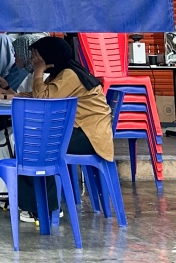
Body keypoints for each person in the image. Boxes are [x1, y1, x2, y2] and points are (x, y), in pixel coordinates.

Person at [12, 36, 114, 223]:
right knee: (36, 142)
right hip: (79, 131)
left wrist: (38, 72)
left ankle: (47, 207)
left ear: (49, 55)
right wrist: (11, 96)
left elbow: (44, 101)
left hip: (89, 136)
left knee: (38, 145)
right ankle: (37, 204)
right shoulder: (61, 74)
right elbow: (41, 95)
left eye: (36, 55)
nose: (33, 59)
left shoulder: (69, 75)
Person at [0, 34, 45, 203]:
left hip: (33, 130)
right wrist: (3, 91)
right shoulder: (29, 75)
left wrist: (2, 95)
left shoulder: (40, 77)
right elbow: (21, 95)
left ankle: (0, 193)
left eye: (19, 53)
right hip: (22, 124)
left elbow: (31, 99)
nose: (15, 57)